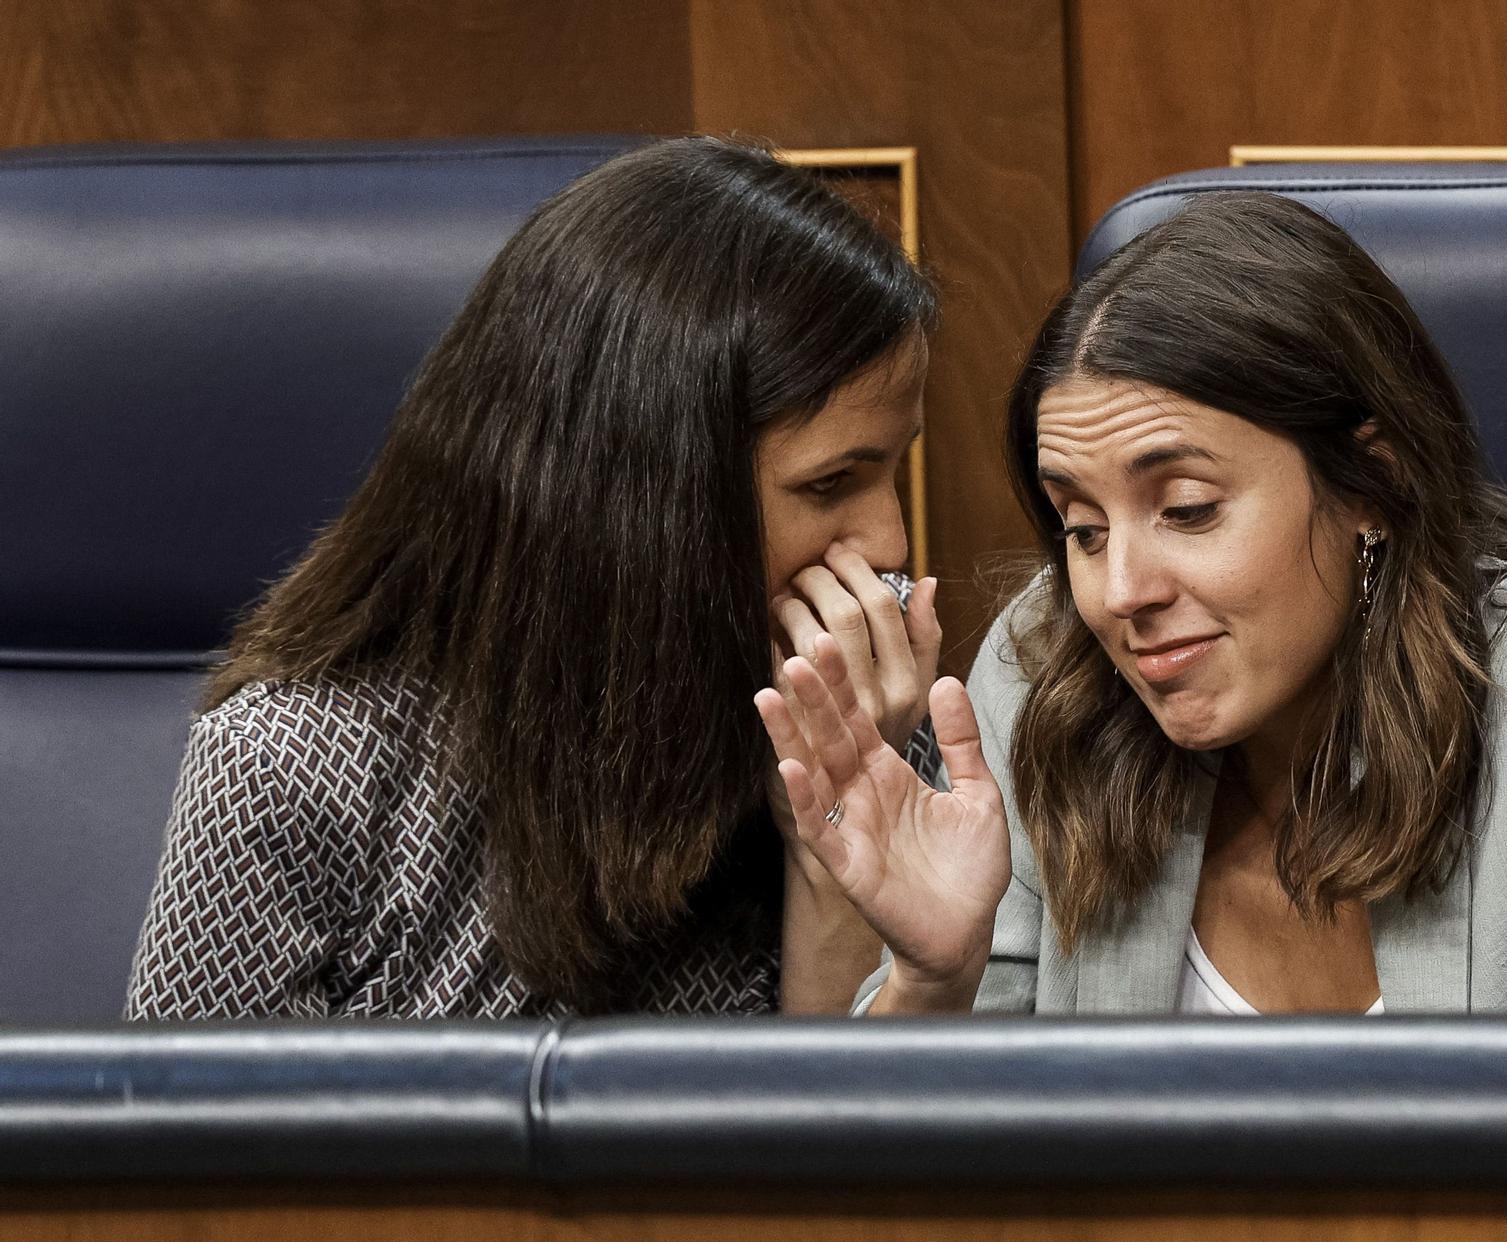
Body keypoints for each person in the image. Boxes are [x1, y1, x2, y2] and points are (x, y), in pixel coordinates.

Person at [761, 191, 1507, 1016]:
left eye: (1189, 508)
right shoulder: (1047, 674)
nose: (1119, 593)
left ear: (1368, 484)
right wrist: (932, 980)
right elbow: (915, 1213)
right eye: (1082, 529)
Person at [126, 136, 944, 1019]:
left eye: (893, 471)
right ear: (642, 495)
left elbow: (834, 1146)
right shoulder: (290, 772)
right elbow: (191, 1156)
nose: (891, 544)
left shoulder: (871, 715)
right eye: (831, 484)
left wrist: (833, 846)